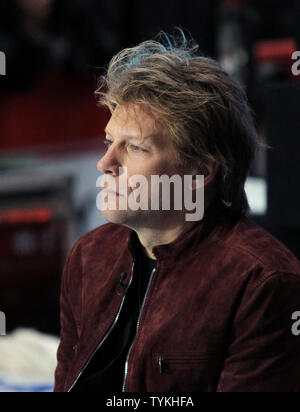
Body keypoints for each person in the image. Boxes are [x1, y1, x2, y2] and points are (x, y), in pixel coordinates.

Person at [54, 31, 300, 392]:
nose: (105, 163)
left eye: (135, 148)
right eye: (110, 142)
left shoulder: (263, 283)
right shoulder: (88, 257)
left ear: (200, 172)